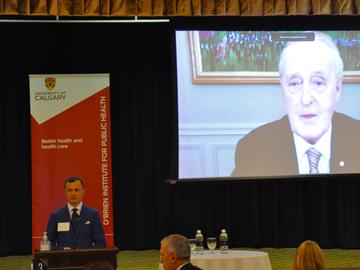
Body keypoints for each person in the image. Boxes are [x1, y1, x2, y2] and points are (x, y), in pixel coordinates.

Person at [231, 31, 360, 177]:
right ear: (283, 90)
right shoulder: (253, 149)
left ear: (337, 90)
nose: (306, 99)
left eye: (318, 82)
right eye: (294, 83)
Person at [46, 176, 106, 250]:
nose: (73, 193)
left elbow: (101, 243)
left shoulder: (93, 214)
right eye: (70, 190)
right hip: (63, 260)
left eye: (76, 190)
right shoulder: (56, 216)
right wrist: (63, 249)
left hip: (87, 260)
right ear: (65, 192)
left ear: (83, 191)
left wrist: (86, 252)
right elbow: (48, 245)